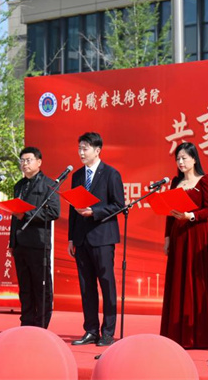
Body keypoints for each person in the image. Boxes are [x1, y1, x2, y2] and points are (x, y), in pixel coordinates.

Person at [160, 142, 208, 348]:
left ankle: (199, 335)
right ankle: (177, 333)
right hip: (178, 236)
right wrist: (167, 238)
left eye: (184, 158)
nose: (180, 162)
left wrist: (191, 216)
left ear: (194, 159)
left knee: (196, 282)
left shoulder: (205, 180)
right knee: (179, 280)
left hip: (197, 235)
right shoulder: (175, 182)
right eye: (178, 159)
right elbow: (170, 213)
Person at [68, 132, 124, 347]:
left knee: (107, 285)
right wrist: (71, 238)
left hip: (102, 237)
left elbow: (119, 205)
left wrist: (95, 211)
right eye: (80, 148)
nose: (81, 152)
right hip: (81, 239)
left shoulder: (111, 174)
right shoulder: (77, 176)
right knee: (86, 287)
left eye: (85, 148)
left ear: (97, 150)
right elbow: (73, 209)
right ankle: (90, 330)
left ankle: (108, 332)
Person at [9, 146, 61, 329]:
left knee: (41, 287)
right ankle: (26, 323)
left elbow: (54, 212)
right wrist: (12, 242)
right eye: (22, 160)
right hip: (20, 244)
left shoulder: (49, 185)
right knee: (25, 287)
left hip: (38, 243)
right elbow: (14, 217)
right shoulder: (19, 186)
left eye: (28, 160)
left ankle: (41, 325)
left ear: (39, 162)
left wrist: (27, 214)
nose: (24, 164)